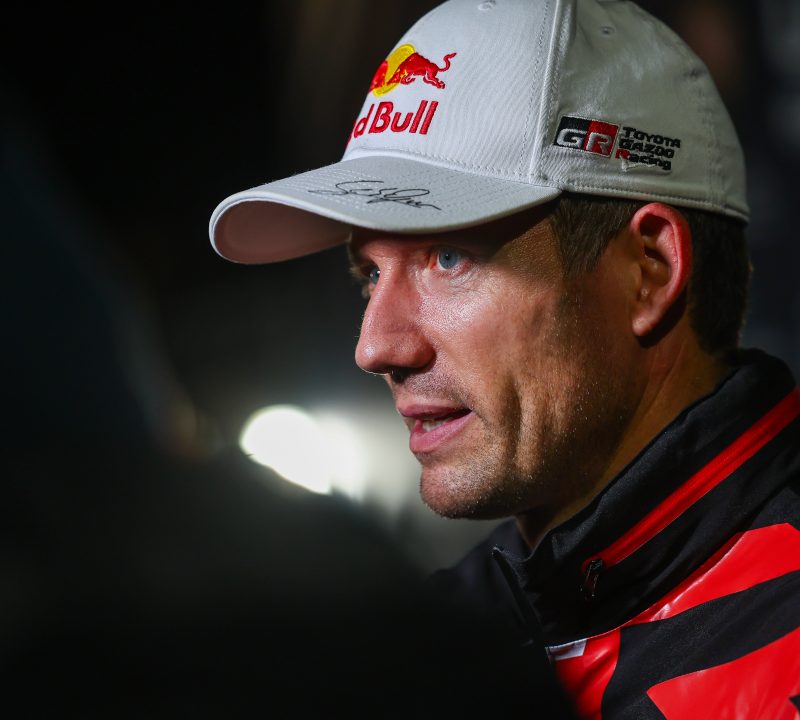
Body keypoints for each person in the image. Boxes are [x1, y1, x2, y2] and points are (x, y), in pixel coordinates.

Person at [208, 0, 800, 717]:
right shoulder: (421, 649)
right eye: (371, 274)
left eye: (448, 258)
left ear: (648, 270)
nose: (376, 346)